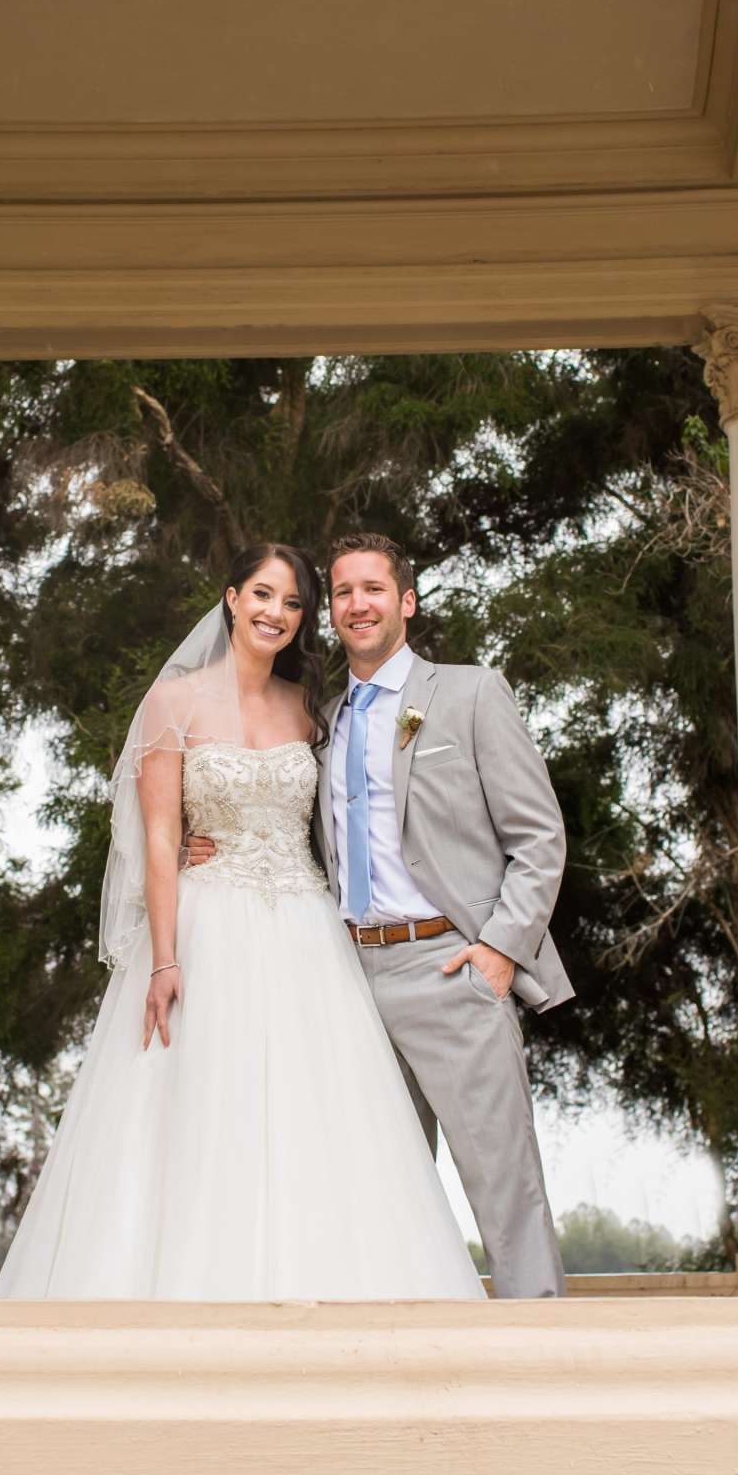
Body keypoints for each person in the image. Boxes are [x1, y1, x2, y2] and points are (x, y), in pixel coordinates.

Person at [0, 542, 483, 1302]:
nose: (275, 614)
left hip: (305, 932)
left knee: (316, 1115)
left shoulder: (307, 710)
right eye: (262, 595)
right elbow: (158, 836)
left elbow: (335, 817)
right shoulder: (175, 702)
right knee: (193, 1110)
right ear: (230, 597)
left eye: (291, 604)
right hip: (205, 927)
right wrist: (162, 958)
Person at [191, 533, 572, 1298]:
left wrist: (500, 948)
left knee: (503, 1182)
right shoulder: (321, 720)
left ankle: (543, 1355)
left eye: (372, 589)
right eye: (341, 592)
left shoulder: (468, 694)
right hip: (346, 983)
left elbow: (539, 837)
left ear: (406, 601)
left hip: (448, 968)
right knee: (376, 1195)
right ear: (330, 611)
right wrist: (202, 845)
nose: (356, 604)